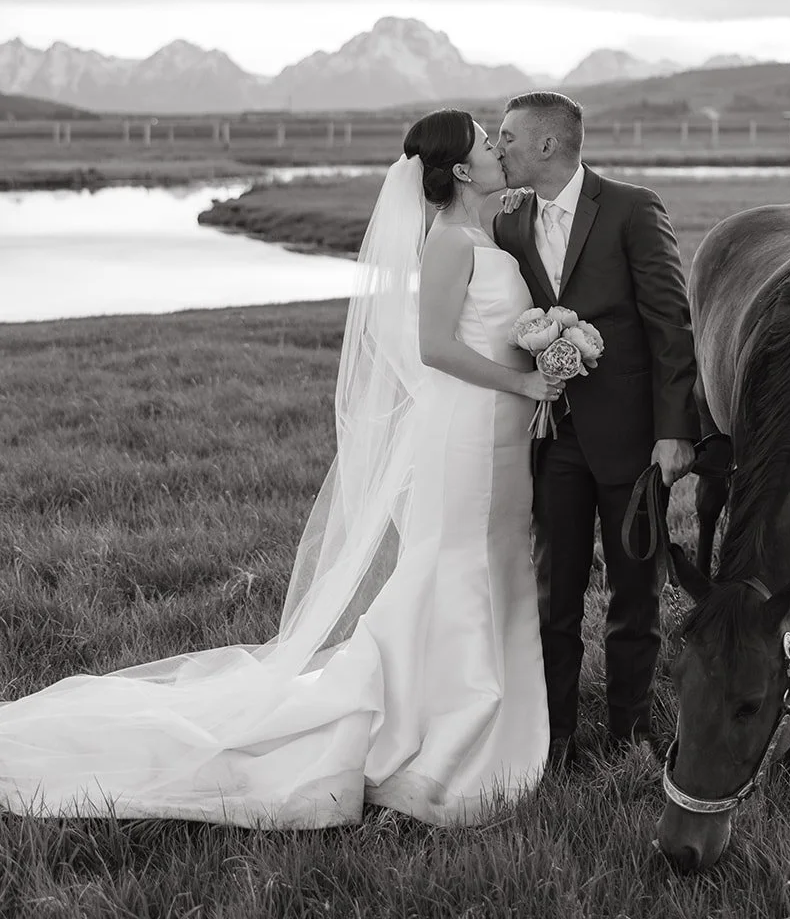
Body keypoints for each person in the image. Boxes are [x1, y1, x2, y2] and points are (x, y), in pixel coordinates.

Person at [0, 110, 556, 828]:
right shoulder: (451, 243)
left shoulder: (482, 234)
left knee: (492, 565)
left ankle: (488, 720)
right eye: (486, 144)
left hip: (501, 436)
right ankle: (439, 737)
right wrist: (524, 384)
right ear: (457, 169)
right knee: (454, 569)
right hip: (470, 435)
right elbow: (435, 349)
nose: (496, 151)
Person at [493, 91, 703, 770]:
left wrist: (673, 431)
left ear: (548, 145)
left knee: (634, 592)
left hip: (632, 438)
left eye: (507, 137)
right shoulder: (511, 219)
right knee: (554, 592)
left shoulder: (631, 208)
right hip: (551, 434)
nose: (497, 148)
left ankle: (628, 730)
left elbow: (671, 324)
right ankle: (553, 739)